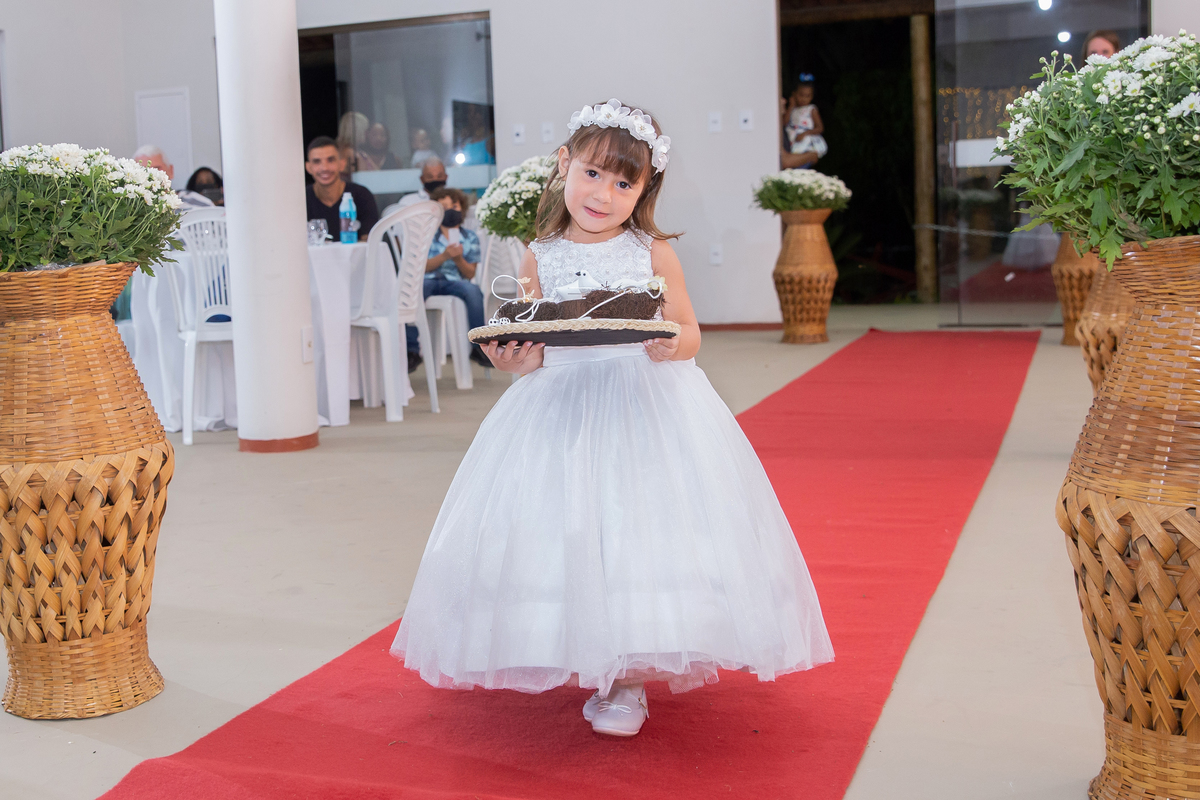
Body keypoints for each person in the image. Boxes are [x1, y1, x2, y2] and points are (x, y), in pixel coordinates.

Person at [391, 98, 833, 738]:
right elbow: (530, 343)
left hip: (641, 402)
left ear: (644, 189)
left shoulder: (651, 251)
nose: (604, 193)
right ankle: (577, 646)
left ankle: (626, 676)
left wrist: (669, 344)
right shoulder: (539, 253)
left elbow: (690, 330)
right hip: (559, 406)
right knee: (565, 530)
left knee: (634, 531)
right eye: (593, 174)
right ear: (564, 166)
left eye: (624, 183)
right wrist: (514, 360)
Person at [404, 187, 490, 369]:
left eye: (454, 205)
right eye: (443, 207)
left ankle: (479, 347)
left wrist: (458, 258)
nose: (450, 210)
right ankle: (411, 349)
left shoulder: (470, 238)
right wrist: (444, 256)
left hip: (457, 282)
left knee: (474, 292)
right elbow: (420, 267)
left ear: (463, 209)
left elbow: (470, 273)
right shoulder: (426, 237)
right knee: (414, 293)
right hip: (429, 280)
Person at [304, 135, 379, 242]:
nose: (324, 168)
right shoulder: (302, 200)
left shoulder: (361, 195)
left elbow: (370, 242)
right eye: (317, 161)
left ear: (342, 164)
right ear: (308, 167)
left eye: (331, 160)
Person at [133, 145, 213, 210]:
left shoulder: (202, 205)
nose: (152, 176)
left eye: (157, 169)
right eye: (144, 171)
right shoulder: (130, 211)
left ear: (171, 171)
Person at [781, 74, 826, 169]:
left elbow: (820, 128)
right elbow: (784, 123)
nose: (804, 99)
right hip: (793, 141)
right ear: (794, 94)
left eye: (807, 96)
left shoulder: (811, 109)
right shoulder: (792, 109)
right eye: (801, 95)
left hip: (805, 141)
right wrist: (791, 106)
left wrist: (805, 133)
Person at [337, 111, 370, 176]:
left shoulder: (339, 150)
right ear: (358, 131)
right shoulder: (351, 154)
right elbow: (363, 177)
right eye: (365, 130)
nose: (367, 134)